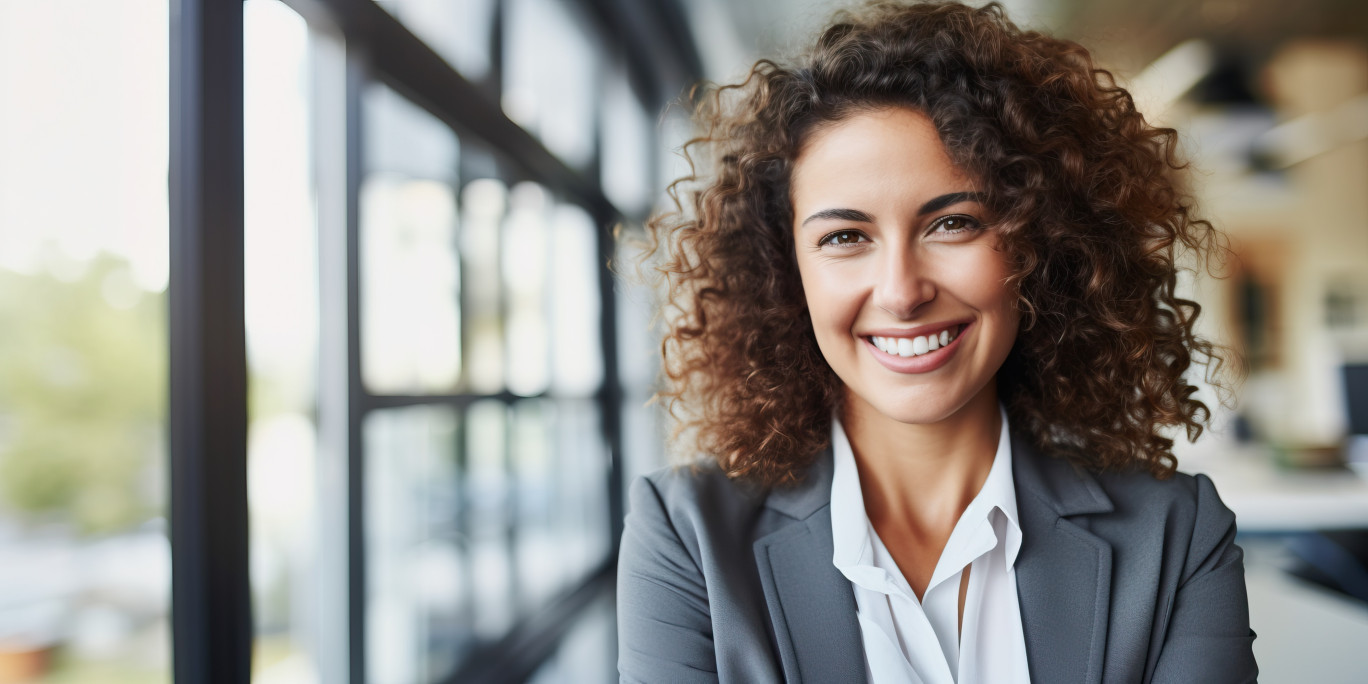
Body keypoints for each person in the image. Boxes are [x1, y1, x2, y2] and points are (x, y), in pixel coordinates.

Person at [617, 1, 1257, 682]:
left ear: (1038, 241)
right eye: (844, 237)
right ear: (784, 271)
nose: (900, 290)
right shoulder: (687, 536)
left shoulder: (1178, 536)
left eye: (952, 224)